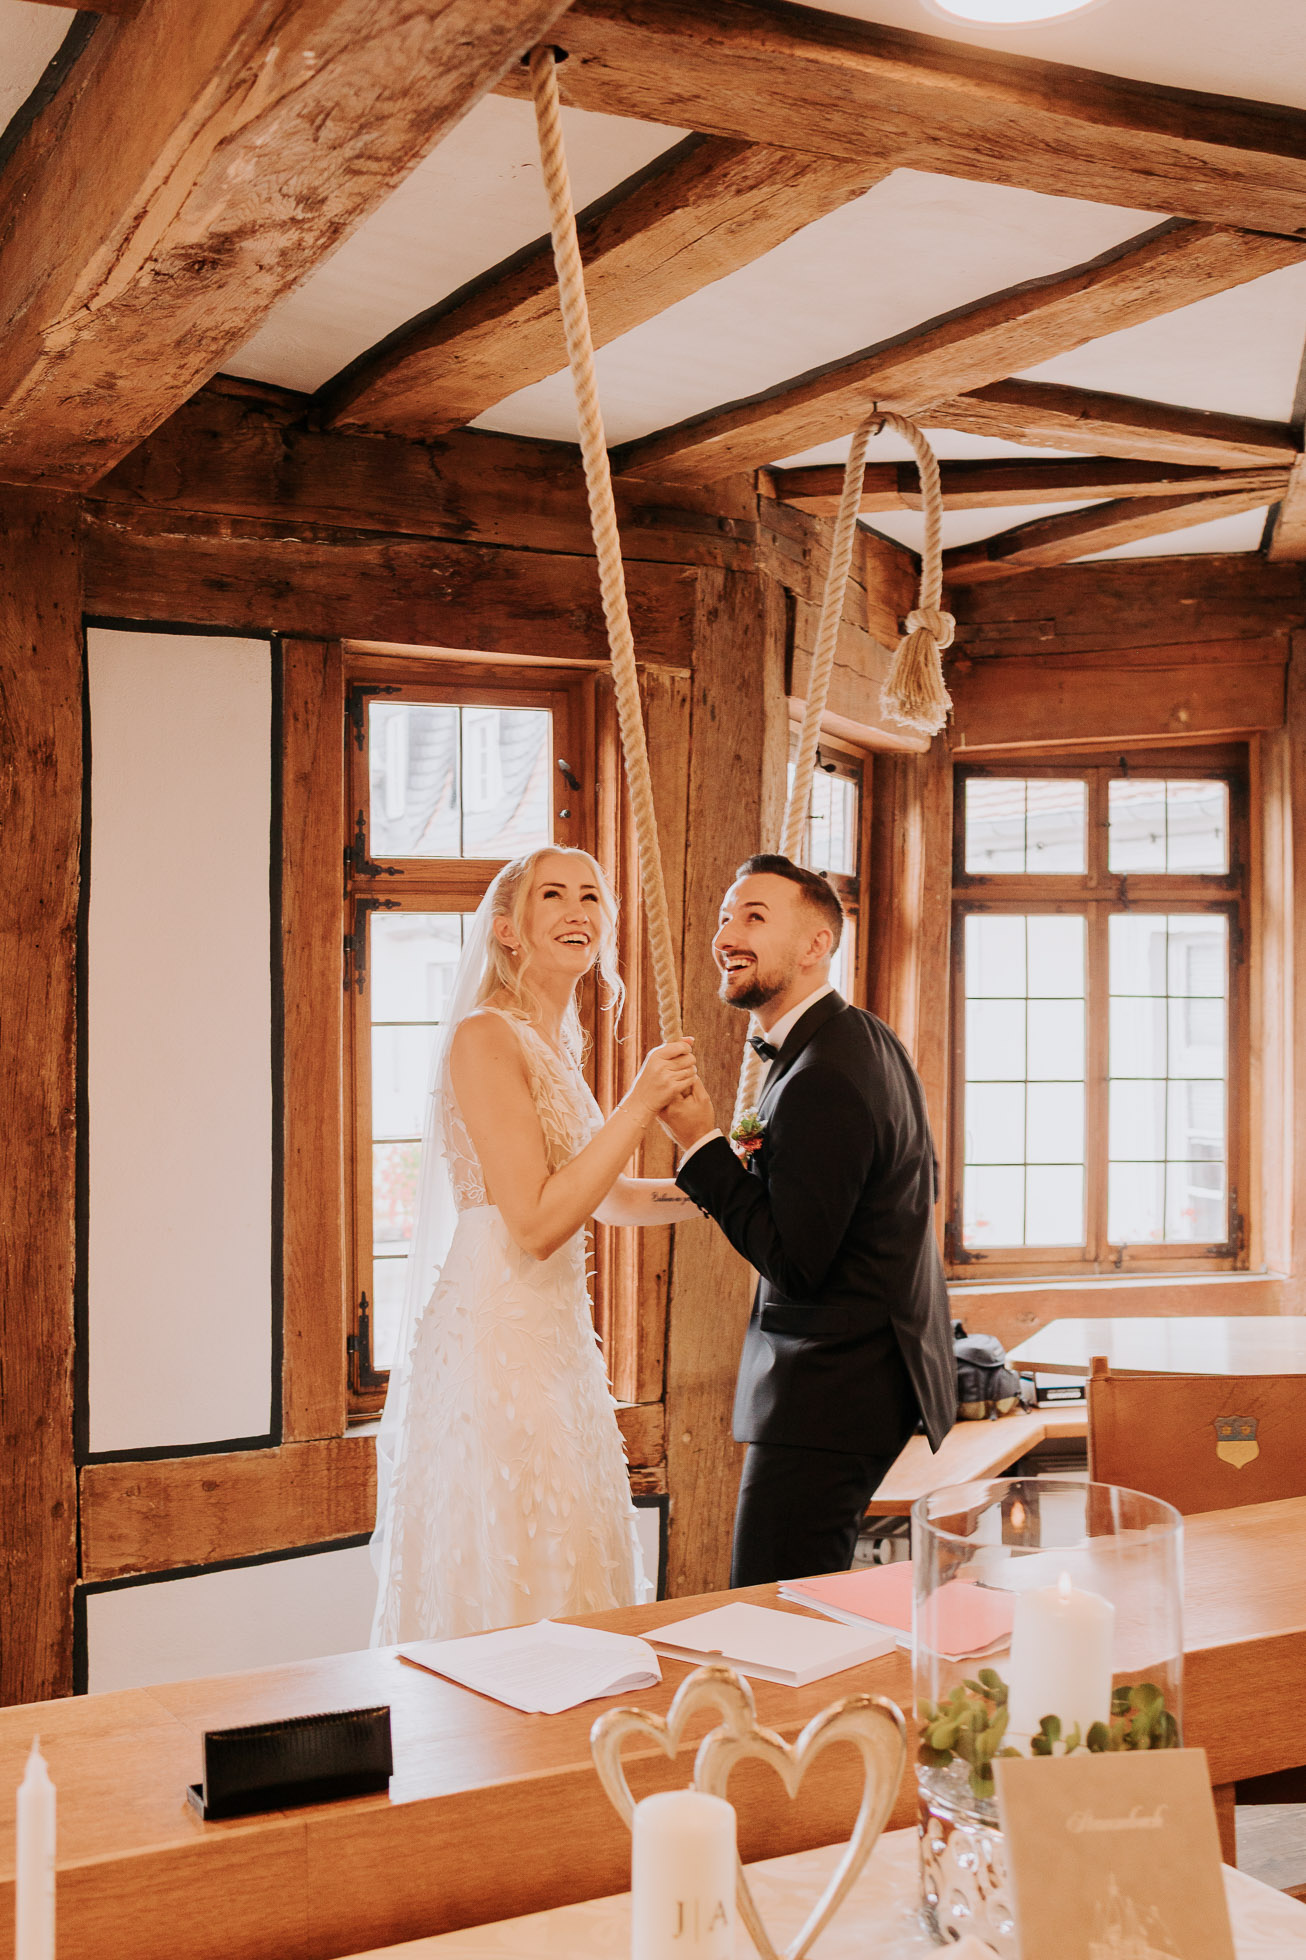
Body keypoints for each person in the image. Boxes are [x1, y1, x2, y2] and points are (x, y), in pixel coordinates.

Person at [371, 845, 701, 1644]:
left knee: (573, 1544)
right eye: (553, 895)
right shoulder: (485, 1039)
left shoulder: (556, 1045)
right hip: (499, 1343)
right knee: (518, 1549)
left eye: (591, 896)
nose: (576, 910)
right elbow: (534, 1220)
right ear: (510, 931)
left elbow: (607, 1199)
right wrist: (640, 1104)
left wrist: (720, 1190)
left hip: (558, 1343)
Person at [663, 853, 956, 1587]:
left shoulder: (825, 1071)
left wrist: (699, 1141)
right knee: (801, 1595)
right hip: (863, 1378)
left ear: (815, 944)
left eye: (754, 917)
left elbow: (797, 1260)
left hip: (831, 1390)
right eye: (726, 917)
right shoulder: (859, 1037)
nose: (727, 933)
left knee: (773, 1600)